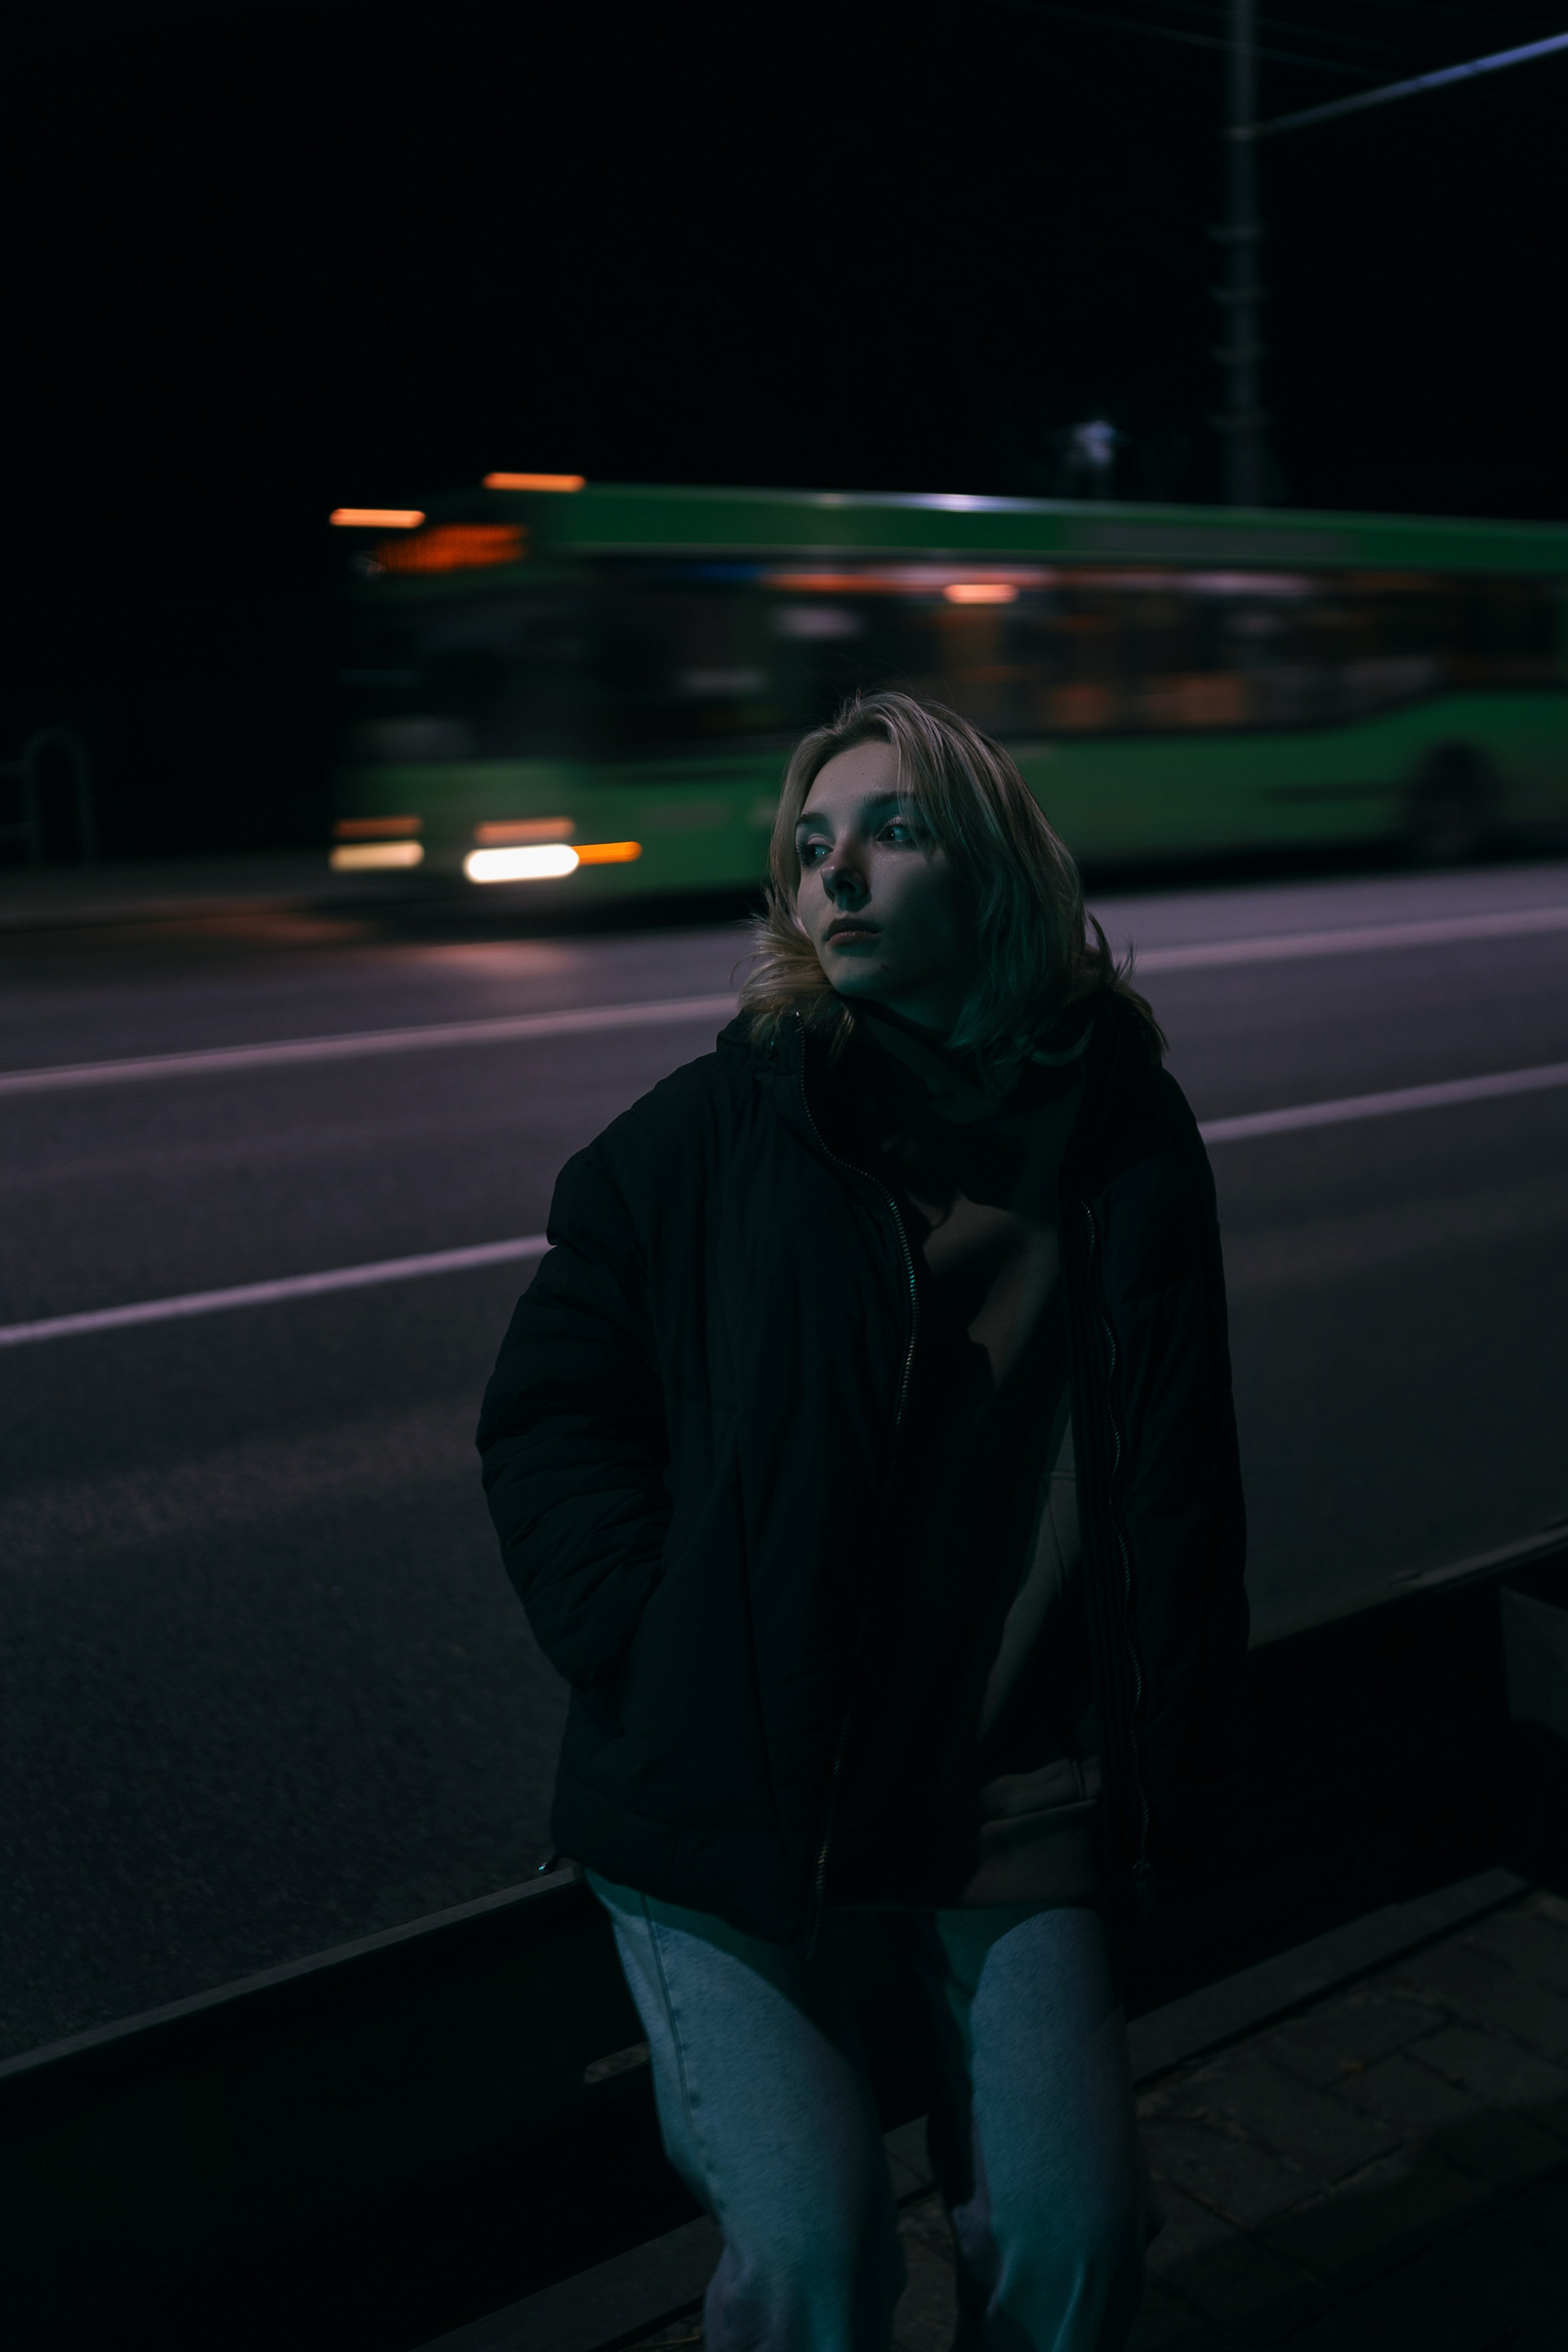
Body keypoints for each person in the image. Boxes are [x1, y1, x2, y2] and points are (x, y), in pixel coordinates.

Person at [478, 690, 1248, 2350]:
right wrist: (649, 1641)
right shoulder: (711, 1135)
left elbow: (1184, 1475)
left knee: (1075, 2237)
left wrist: (1171, 1734)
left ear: (993, 869)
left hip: (1008, 1796)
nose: (837, 874)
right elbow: (549, 1414)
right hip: (731, 1788)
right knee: (818, 2260)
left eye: (892, 832)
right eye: (811, 845)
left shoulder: (1122, 1138)